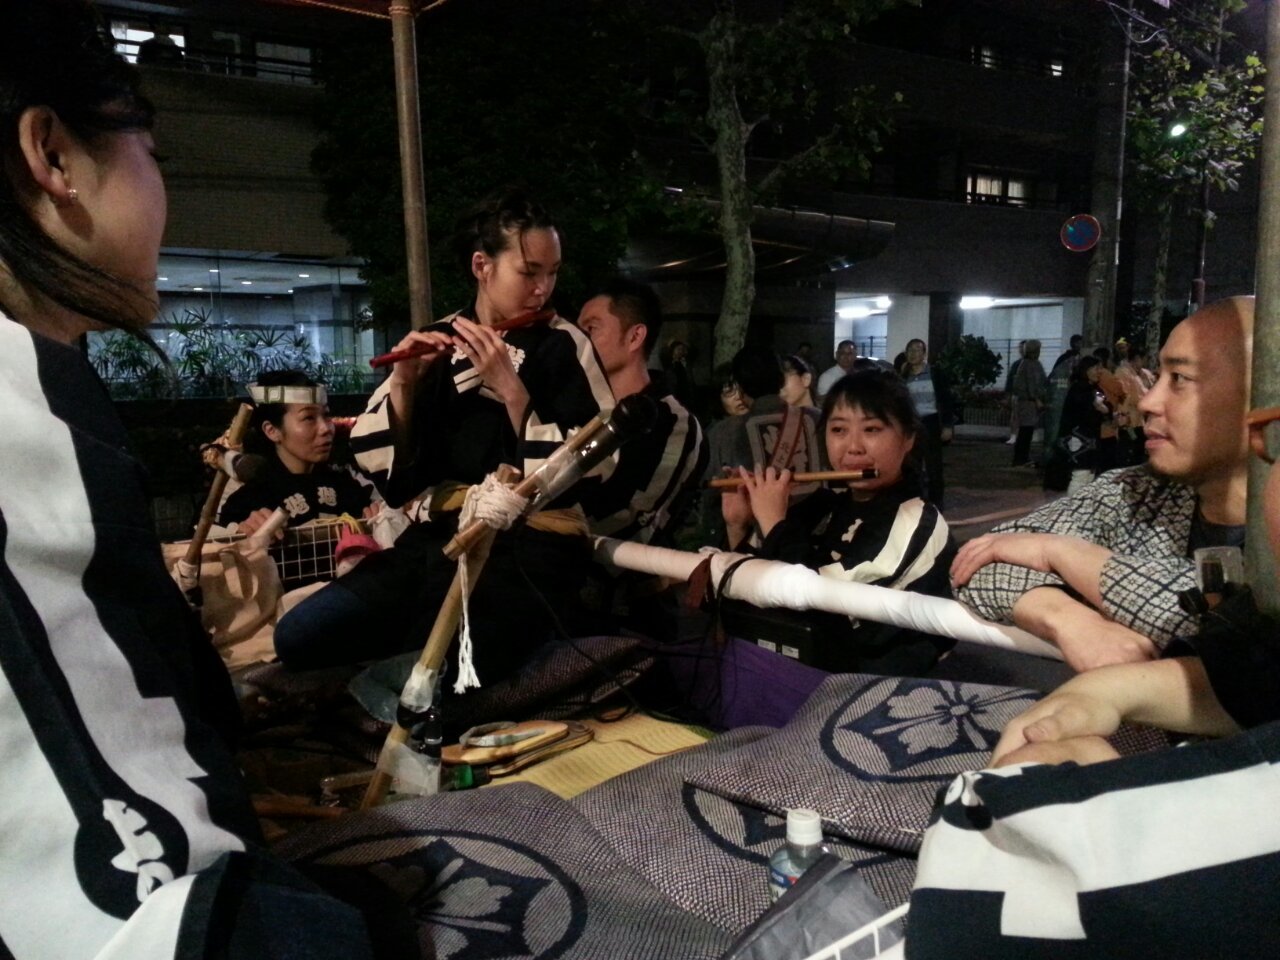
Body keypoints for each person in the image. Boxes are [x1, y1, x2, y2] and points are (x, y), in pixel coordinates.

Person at [0, 4, 398, 956]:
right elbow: (126, 907)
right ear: (52, 155)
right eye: (154, 155)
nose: (162, 189)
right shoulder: (21, 408)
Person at [275, 191, 615, 680]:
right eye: (530, 272)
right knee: (300, 635)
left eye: (552, 272)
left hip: (527, 549)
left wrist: (512, 390)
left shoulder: (566, 343)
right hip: (436, 538)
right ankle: (392, 676)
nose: (544, 288)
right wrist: (405, 384)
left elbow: (595, 463)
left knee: (446, 668)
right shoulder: (438, 336)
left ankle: (406, 681)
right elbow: (395, 479)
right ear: (483, 265)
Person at [950, 297, 1254, 671]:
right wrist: (1068, 619)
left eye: (1180, 379)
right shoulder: (1141, 491)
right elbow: (979, 560)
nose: (1149, 402)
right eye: (1157, 376)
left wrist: (1064, 554)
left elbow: (1240, 624)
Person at [721, 369, 957, 674]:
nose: (853, 447)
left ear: (908, 438)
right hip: (796, 673)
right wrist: (738, 524)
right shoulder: (823, 505)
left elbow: (822, 601)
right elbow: (749, 589)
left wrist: (775, 525)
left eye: (871, 429)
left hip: (871, 689)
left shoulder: (918, 522)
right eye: (838, 430)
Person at [575, 278, 707, 546]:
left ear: (635, 336)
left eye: (591, 329)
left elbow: (629, 515)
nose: (579, 342)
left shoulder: (673, 423)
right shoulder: (577, 407)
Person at [217, 370, 374, 534]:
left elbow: (384, 509)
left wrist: (377, 516)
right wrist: (241, 530)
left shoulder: (346, 478)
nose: (326, 428)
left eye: (326, 415)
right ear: (272, 431)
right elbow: (213, 538)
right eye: (309, 418)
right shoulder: (247, 488)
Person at [715, 344, 825, 541]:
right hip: (822, 533)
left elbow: (719, 498)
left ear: (740, 389)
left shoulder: (728, 431)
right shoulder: (817, 419)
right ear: (781, 379)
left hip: (761, 541)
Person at [897, 338, 955, 507]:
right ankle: (914, 501)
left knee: (933, 466)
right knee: (912, 465)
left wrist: (947, 426)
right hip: (912, 424)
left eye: (917, 350)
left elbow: (945, 400)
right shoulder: (904, 376)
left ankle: (936, 504)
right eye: (910, 350)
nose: (913, 354)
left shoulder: (934, 373)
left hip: (931, 423)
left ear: (924, 354)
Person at [1008, 338, 1047, 467]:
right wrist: (1037, 399)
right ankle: (1021, 458)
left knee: (1025, 431)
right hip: (1028, 402)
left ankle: (1020, 458)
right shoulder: (1031, 364)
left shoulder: (1024, 363)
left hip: (1024, 401)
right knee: (1026, 431)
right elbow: (1032, 383)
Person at [1002, 339, 1025, 445]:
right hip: (1017, 394)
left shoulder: (1032, 364)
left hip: (1027, 395)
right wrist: (1008, 394)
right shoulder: (1017, 364)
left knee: (1026, 417)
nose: (1021, 350)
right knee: (1015, 416)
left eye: (1023, 347)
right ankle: (1014, 435)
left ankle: (1020, 435)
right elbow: (1010, 379)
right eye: (1020, 348)